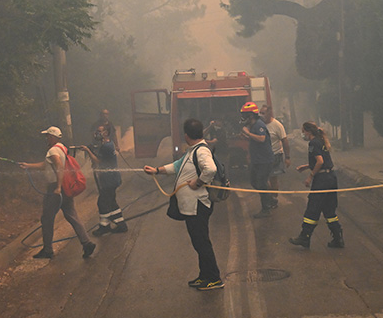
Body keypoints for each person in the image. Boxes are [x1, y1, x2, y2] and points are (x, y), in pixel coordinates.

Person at [143, 119, 224, 291]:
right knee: (198, 243)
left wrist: (198, 182)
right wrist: (157, 171)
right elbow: (177, 166)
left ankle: (214, 278)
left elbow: (210, 169)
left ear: (186, 135)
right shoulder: (193, 151)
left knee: (202, 242)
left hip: (198, 205)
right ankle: (204, 276)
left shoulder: (201, 151)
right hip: (191, 206)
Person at [19, 126, 96, 259]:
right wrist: (28, 165)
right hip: (65, 187)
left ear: (53, 137)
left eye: (48, 136)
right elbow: (46, 165)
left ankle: (48, 250)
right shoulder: (61, 148)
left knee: (47, 218)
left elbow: (59, 167)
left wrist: (58, 187)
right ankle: (87, 243)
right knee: (72, 215)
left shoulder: (53, 150)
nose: (46, 138)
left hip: (56, 188)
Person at [289, 121, 344, 249]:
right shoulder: (321, 141)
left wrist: (310, 176)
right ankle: (338, 239)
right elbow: (324, 161)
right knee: (329, 210)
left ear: (308, 131)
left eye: (303, 131)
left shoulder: (313, 143)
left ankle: (304, 237)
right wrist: (307, 166)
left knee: (313, 208)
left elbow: (320, 161)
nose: (302, 134)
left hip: (322, 180)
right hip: (331, 178)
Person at [80, 125, 127, 236]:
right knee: (110, 201)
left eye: (99, 131)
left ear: (106, 132)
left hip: (109, 179)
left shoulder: (106, 147)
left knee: (103, 202)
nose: (97, 133)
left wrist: (88, 150)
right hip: (112, 178)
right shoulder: (108, 144)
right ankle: (119, 225)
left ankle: (105, 227)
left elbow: (98, 161)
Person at [239, 102, 275, 218]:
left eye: (245, 115)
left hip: (264, 160)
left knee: (261, 183)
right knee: (254, 181)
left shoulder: (259, 125)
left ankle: (266, 209)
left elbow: (262, 138)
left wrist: (248, 133)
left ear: (251, 115)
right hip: (257, 160)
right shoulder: (253, 126)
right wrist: (247, 136)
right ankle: (270, 200)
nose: (243, 118)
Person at [260, 105, 290, 209]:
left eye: (263, 113)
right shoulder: (259, 125)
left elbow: (284, 141)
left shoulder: (277, 125)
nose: (261, 115)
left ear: (269, 113)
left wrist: (287, 157)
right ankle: (268, 197)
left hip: (275, 156)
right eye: (260, 113)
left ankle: (274, 198)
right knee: (263, 178)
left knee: (273, 178)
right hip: (263, 157)